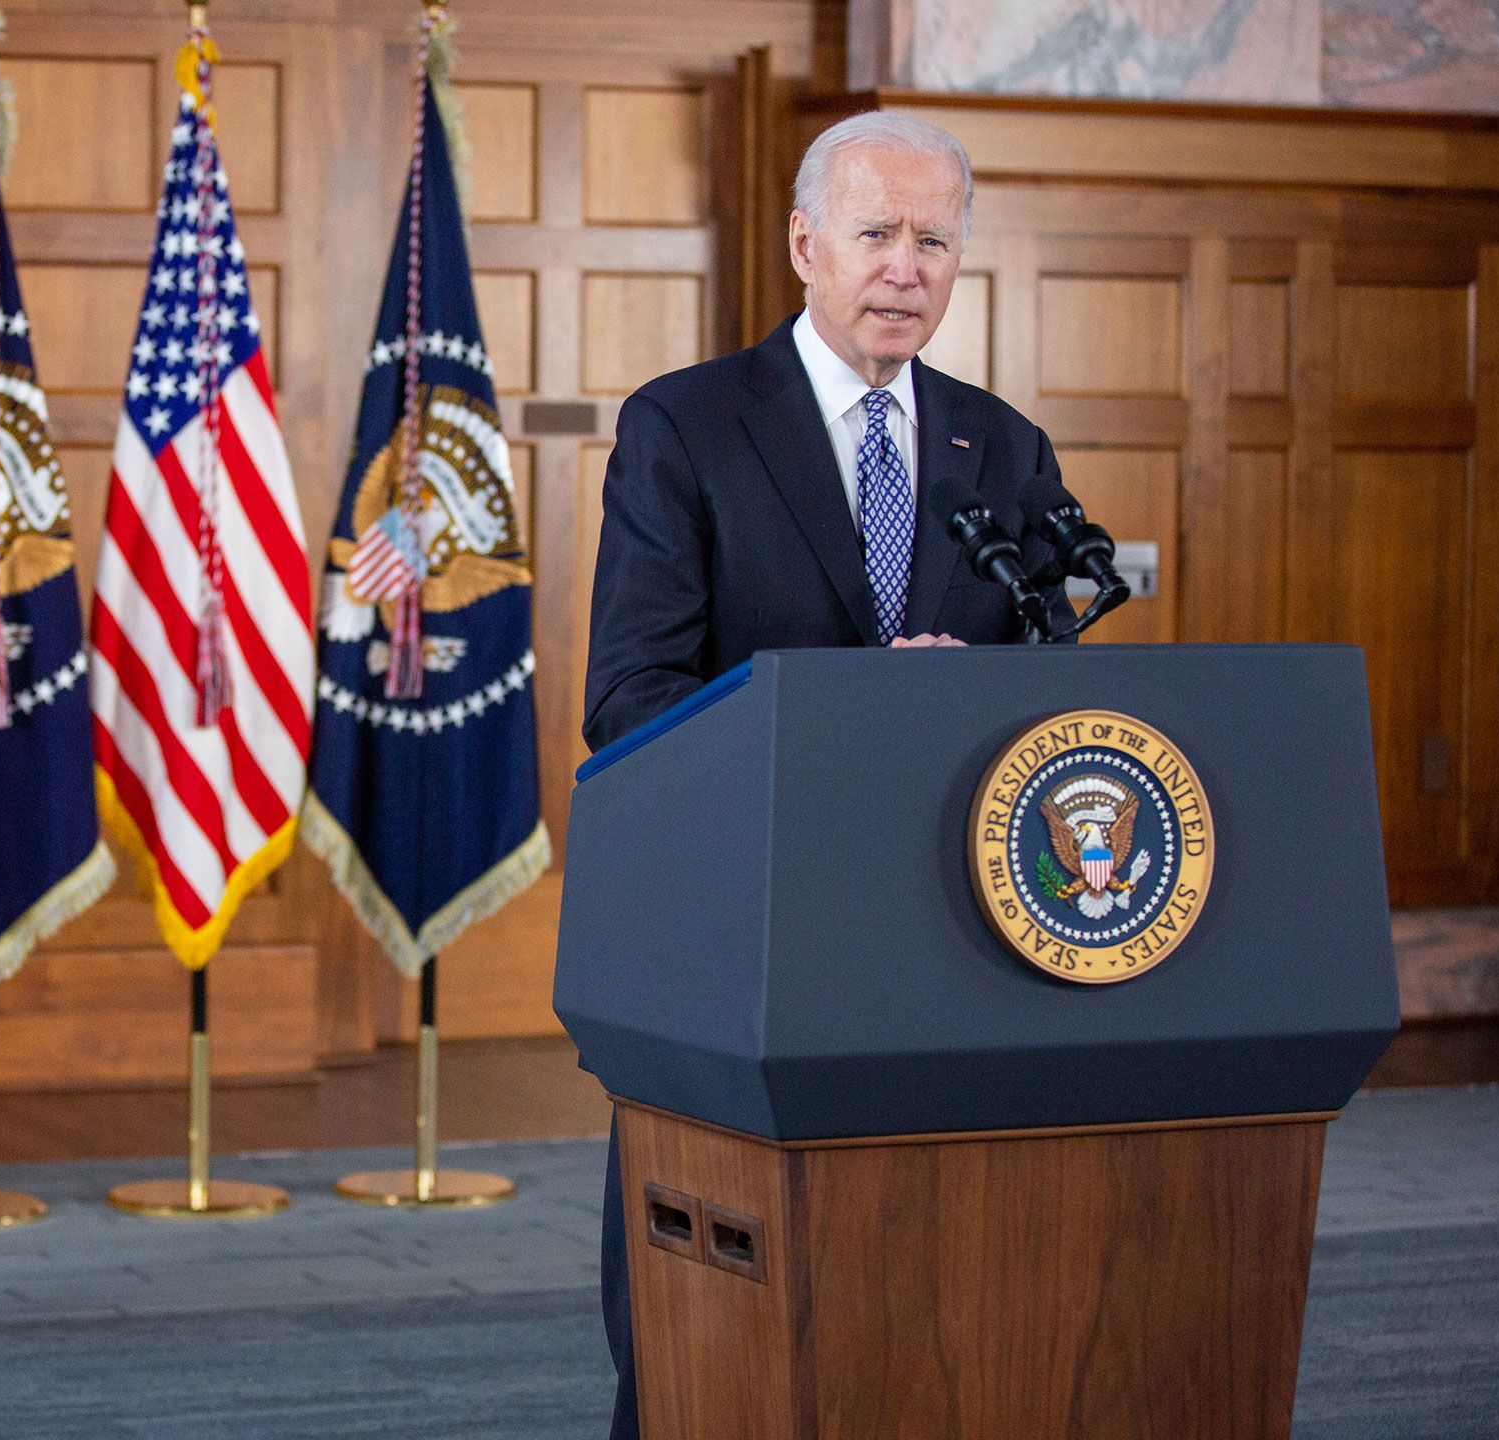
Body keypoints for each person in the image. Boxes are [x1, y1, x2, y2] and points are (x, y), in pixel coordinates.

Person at [581, 112, 1076, 1438]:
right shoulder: (686, 426)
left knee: (927, 1320)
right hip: (745, 939)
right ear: (806, 245)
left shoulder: (1005, 448)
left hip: (951, 951)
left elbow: (1054, 697)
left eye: (934, 239)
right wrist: (842, 717)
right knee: (718, 1339)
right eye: (876, 235)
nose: (906, 267)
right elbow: (628, 703)